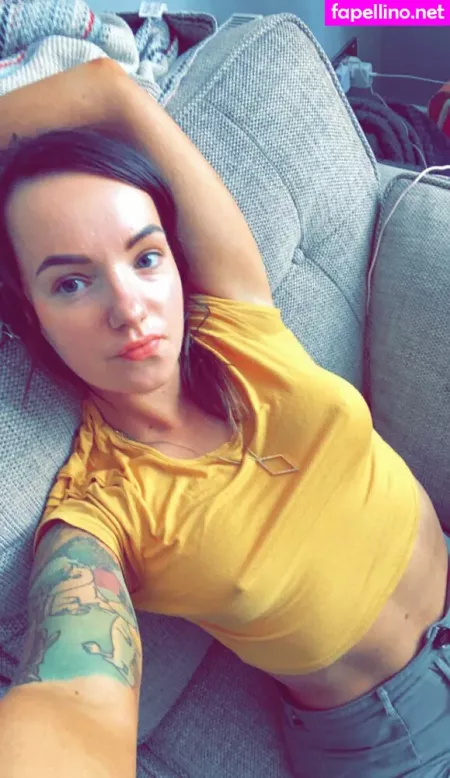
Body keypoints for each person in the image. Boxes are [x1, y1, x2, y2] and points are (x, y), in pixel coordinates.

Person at [0, 58, 449, 778]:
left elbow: (110, 90)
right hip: (395, 739)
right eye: (72, 282)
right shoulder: (98, 510)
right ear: (31, 316)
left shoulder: (237, 325)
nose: (129, 308)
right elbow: (72, 693)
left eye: (146, 258)